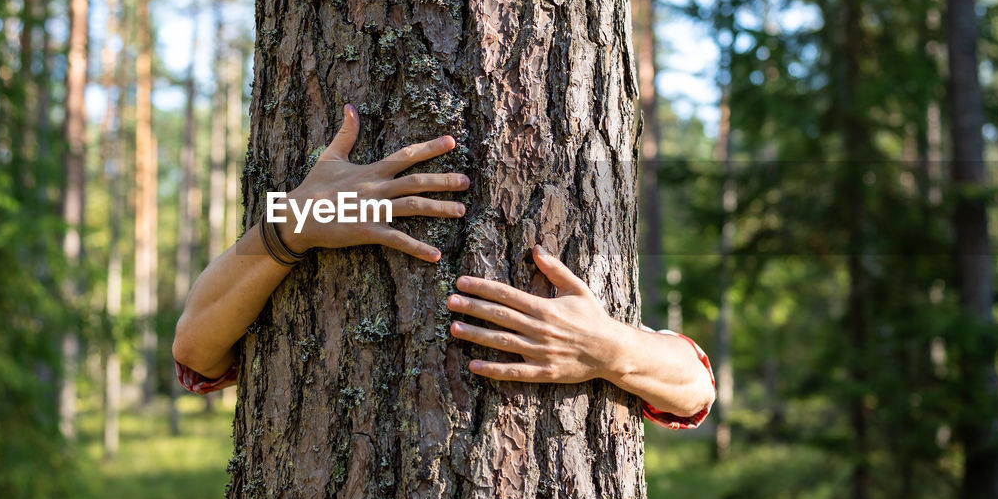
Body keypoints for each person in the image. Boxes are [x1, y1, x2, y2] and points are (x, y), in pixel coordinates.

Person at [172, 103, 716, 428]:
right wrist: (293, 219)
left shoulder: (591, 312)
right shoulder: (277, 250)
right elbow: (195, 351)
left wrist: (610, 349)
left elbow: (696, 388)